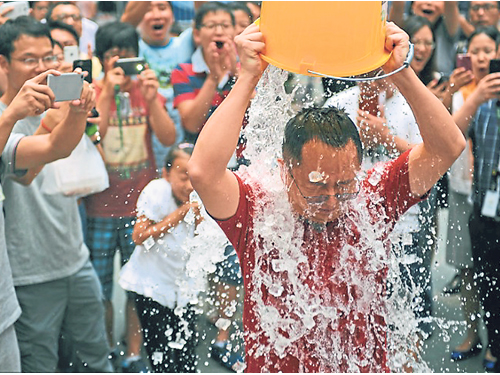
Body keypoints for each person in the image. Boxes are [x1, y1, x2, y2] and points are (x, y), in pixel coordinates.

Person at [188, 21, 465, 372]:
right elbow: (203, 173)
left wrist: (401, 73)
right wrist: (247, 79)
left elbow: (448, 148)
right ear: (285, 170)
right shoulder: (260, 210)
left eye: (344, 184)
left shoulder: (373, 197)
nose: (333, 200)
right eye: (317, 187)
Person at [0, 15, 111, 372]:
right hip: (28, 272)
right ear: (3, 64)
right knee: (40, 363)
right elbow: (30, 171)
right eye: (29, 59)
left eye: (49, 57)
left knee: (95, 356)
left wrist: (77, 113)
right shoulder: (6, 116)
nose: (44, 68)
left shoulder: (59, 105)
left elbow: (60, 147)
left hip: (74, 257)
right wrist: (21, 112)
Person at [84, 20, 176, 372]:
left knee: (140, 286)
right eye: (114, 57)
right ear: (101, 58)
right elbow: (95, 134)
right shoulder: (93, 90)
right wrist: (106, 90)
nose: (122, 65)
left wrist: (153, 101)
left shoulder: (147, 90)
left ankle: (135, 354)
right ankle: (107, 348)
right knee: (100, 288)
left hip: (141, 207)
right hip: (99, 206)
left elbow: (167, 138)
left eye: (128, 58)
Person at [119, 143, 202, 373]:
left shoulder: (202, 195)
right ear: (166, 174)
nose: (189, 185)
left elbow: (202, 241)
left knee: (187, 358)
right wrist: (179, 214)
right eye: (182, 176)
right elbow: (139, 236)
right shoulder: (157, 191)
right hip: (150, 286)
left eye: (193, 176)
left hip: (182, 287)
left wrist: (199, 220)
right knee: (160, 356)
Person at [451, 25, 500, 372]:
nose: (484, 59)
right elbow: (451, 136)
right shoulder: (478, 102)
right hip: (481, 207)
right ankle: (491, 341)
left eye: (491, 51)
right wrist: (476, 96)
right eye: (476, 50)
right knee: (484, 277)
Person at [121, 0, 196, 170]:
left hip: (182, 137)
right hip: (144, 141)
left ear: (172, 14)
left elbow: (204, 14)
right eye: (148, 9)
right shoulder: (133, 48)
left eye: (162, 7)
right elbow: (125, 24)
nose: (156, 15)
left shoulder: (184, 44)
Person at [172, 1, 237, 144]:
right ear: (197, 34)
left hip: (242, 157)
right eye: (211, 26)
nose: (219, 32)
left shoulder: (244, 69)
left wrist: (238, 75)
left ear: (234, 31)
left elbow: (258, 114)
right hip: (197, 155)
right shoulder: (182, 71)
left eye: (225, 26)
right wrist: (213, 78)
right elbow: (191, 125)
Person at [389, 1, 460, 75]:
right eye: (415, 42)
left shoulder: (447, 29)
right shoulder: (400, 28)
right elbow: (398, 6)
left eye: (428, 43)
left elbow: (451, 4)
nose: (422, 49)